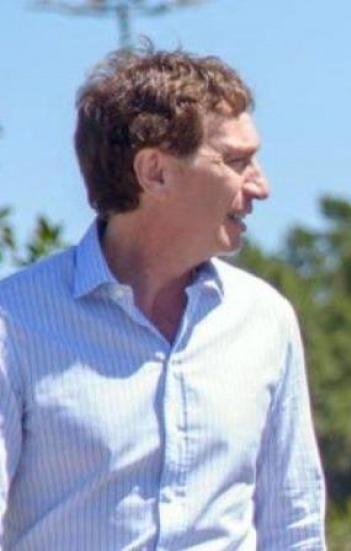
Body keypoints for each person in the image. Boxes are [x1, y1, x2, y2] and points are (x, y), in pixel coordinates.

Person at [0, 47, 326, 549]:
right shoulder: (14, 322)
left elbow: (295, 527)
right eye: (236, 161)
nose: (261, 186)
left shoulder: (265, 320)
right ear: (154, 171)